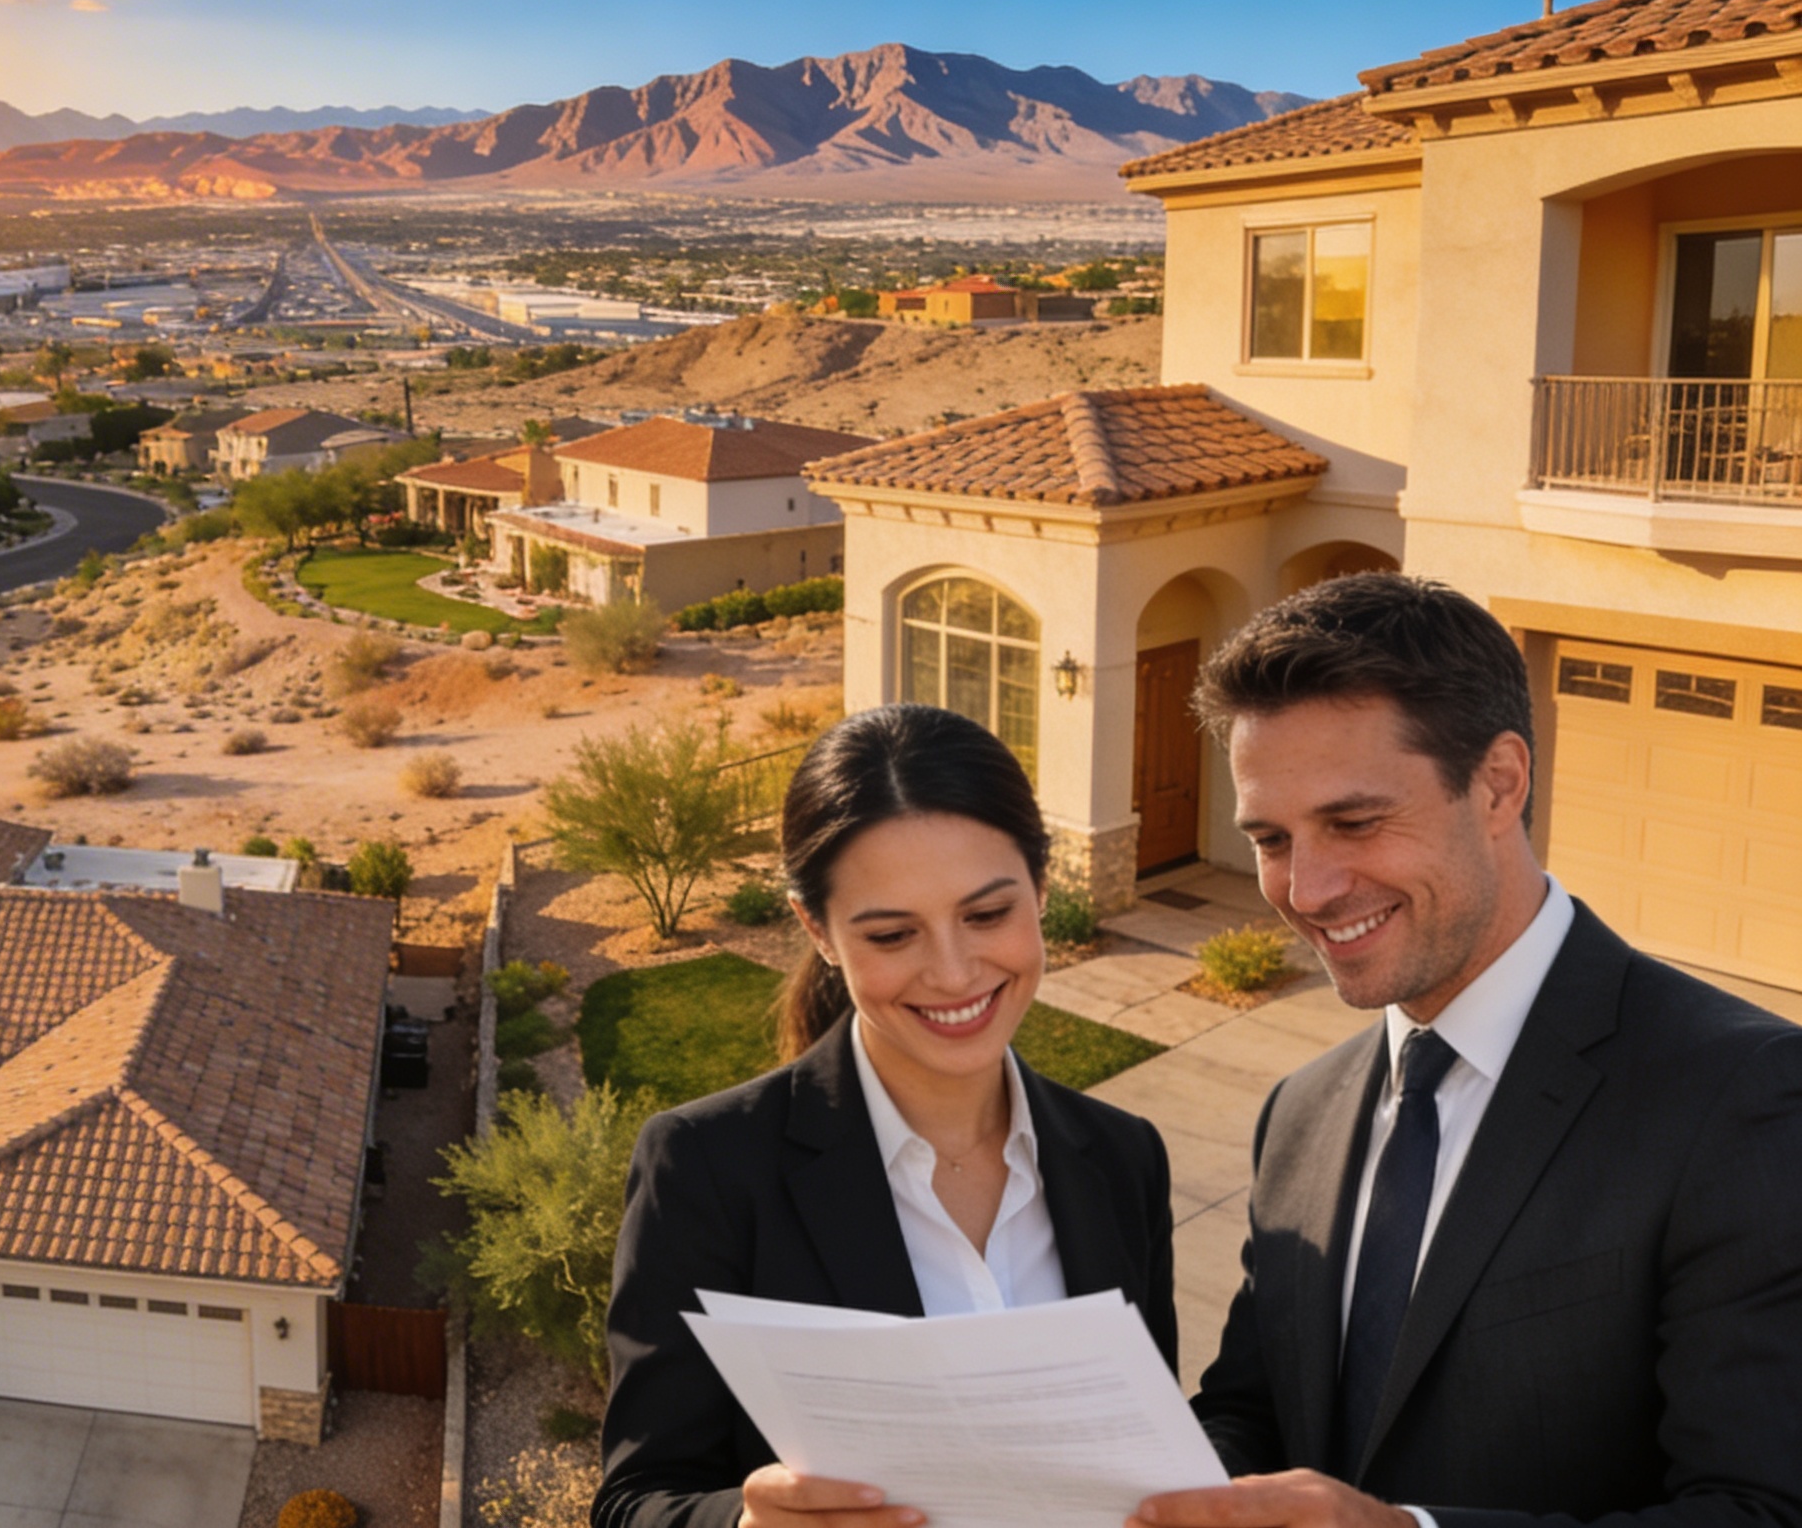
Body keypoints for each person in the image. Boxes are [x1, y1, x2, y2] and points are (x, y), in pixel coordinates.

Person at [1134, 573, 1802, 1528]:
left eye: (1355, 822)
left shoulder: (1745, 1098)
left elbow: (1762, 1511)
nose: (1307, 889)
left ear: (1499, 783)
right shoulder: (1302, 1113)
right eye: (1272, 838)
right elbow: (1254, 1414)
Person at [597, 703, 1179, 1528]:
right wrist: (745, 1525)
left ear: (1041, 889)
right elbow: (636, 1501)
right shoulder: (706, 1167)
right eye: (893, 934)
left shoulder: (1125, 1158)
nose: (953, 972)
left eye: (986, 915)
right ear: (818, 930)